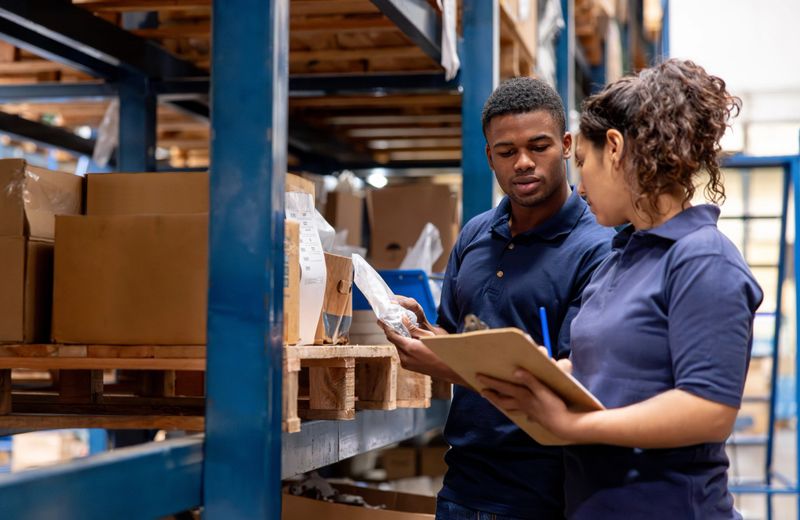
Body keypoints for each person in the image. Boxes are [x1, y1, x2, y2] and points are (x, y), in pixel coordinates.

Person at [478, 59, 763, 519]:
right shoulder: (621, 257)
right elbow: (619, 367)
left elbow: (709, 408)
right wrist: (554, 374)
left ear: (614, 148)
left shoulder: (701, 258)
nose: (580, 183)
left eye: (583, 163)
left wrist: (578, 424)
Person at [380, 77, 614, 519]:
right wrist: (423, 332)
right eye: (507, 152)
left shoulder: (598, 249)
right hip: (462, 486)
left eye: (538, 146)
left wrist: (441, 363)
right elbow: (457, 336)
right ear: (490, 157)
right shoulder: (475, 234)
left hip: (542, 498)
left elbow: (570, 385)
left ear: (566, 145)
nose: (523, 162)